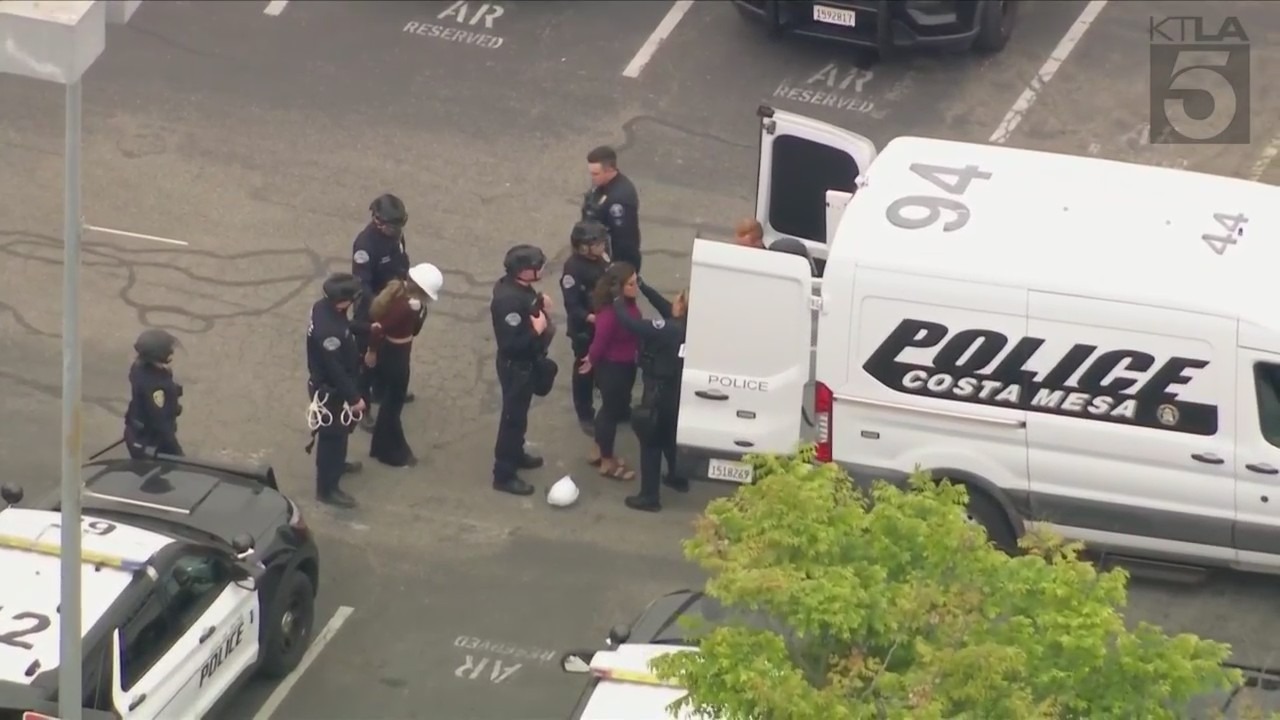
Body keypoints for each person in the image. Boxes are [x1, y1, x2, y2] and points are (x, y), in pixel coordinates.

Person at [611, 280, 690, 512]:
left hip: (659, 391)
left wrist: (617, 302)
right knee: (671, 438)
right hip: (678, 391)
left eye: (676, 300)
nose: (671, 303)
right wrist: (644, 287)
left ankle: (649, 496)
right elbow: (662, 305)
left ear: (682, 307)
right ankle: (677, 476)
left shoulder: (668, 329)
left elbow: (632, 324)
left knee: (651, 442)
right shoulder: (688, 325)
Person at [490, 244, 556, 496]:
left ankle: (516, 454)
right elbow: (511, 343)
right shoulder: (508, 300)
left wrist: (538, 303)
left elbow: (527, 307)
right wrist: (536, 330)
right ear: (522, 271)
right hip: (515, 366)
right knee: (512, 419)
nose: (540, 269)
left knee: (520, 416)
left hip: (526, 364)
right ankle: (504, 474)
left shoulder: (520, 289)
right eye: (535, 266)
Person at [367, 262, 443, 468]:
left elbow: (412, 329)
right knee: (393, 405)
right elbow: (378, 328)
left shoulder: (407, 302)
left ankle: (381, 446)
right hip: (396, 356)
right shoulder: (403, 307)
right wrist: (372, 352)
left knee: (391, 403)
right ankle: (391, 451)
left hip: (395, 352)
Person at [306, 273, 369, 509]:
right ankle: (326, 488)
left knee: (342, 433)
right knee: (331, 437)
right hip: (331, 392)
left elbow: (345, 326)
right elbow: (335, 370)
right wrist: (354, 399)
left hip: (337, 386)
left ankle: (338, 464)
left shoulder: (323, 309)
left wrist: (365, 328)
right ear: (342, 301)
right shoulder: (329, 333)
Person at [352, 193, 412, 429]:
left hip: (394, 296)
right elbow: (361, 284)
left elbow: (401, 259)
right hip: (374, 304)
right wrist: (379, 303)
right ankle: (362, 406)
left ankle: (384, 389)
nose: (396, 230)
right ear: (377, 220)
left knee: (391, 351)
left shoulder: (395, 235)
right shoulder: (365, 245)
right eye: (391, 225)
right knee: (367, 359)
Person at [580, 262, 641, 481]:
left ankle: (598, 449)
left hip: (625, 364)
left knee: (611, 409)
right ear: (619, 288)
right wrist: (591, 360)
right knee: (610, 412)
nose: (636, 287)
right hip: (614, 367)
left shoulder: (626, 306)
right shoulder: (611, 313)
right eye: (632, 284)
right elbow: (600, 341)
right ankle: (607, 460)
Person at [561, 220, 611, 435]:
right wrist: (593, 319)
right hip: (585, 330)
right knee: (584, 370)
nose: (603, 246)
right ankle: (585, 413)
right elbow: (573, 306)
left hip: (604, 322)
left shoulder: (602, 258)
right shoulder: (573, 269)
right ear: (583, 246)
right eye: (598, 243)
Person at [124, 329, 185, 459]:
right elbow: (161, 421)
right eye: (168, 349)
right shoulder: (155, 387)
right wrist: (176, 452)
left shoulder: (141, 368)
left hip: (138, 434)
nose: (171, 352)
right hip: (150, 442)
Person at [581, 145, 642, 271]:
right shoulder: (601, 186)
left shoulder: (620, 199)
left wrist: (615, 268)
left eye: (596, 174)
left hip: (613, 264)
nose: (592, 177)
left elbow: (624, 240)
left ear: (609, 170)